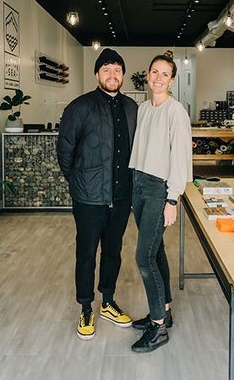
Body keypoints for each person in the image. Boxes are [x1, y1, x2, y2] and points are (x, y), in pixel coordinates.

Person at [57, 48, 138, 340]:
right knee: (87, 253)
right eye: (106, 70)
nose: (112, 75)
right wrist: (80, 181)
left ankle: (107, 301)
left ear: (123, 75)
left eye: (117, 70)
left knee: (113, 252)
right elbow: (64, 151)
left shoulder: (132, 108)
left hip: (121, 196)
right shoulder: (80, 107)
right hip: (89, 198)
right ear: (97, 75)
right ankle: (86, 306)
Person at [128, 50, 192, 353]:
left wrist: (172, 198)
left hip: (159, 189)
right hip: (138, 184)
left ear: (172, 80)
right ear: (148, 74)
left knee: (144, 257)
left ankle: (158, 327)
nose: (158, 78)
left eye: (165, 74)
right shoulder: (143, 109)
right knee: (157, 251)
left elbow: (180, 157)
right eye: (154, 72)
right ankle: (164, 309)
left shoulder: (175, 111)